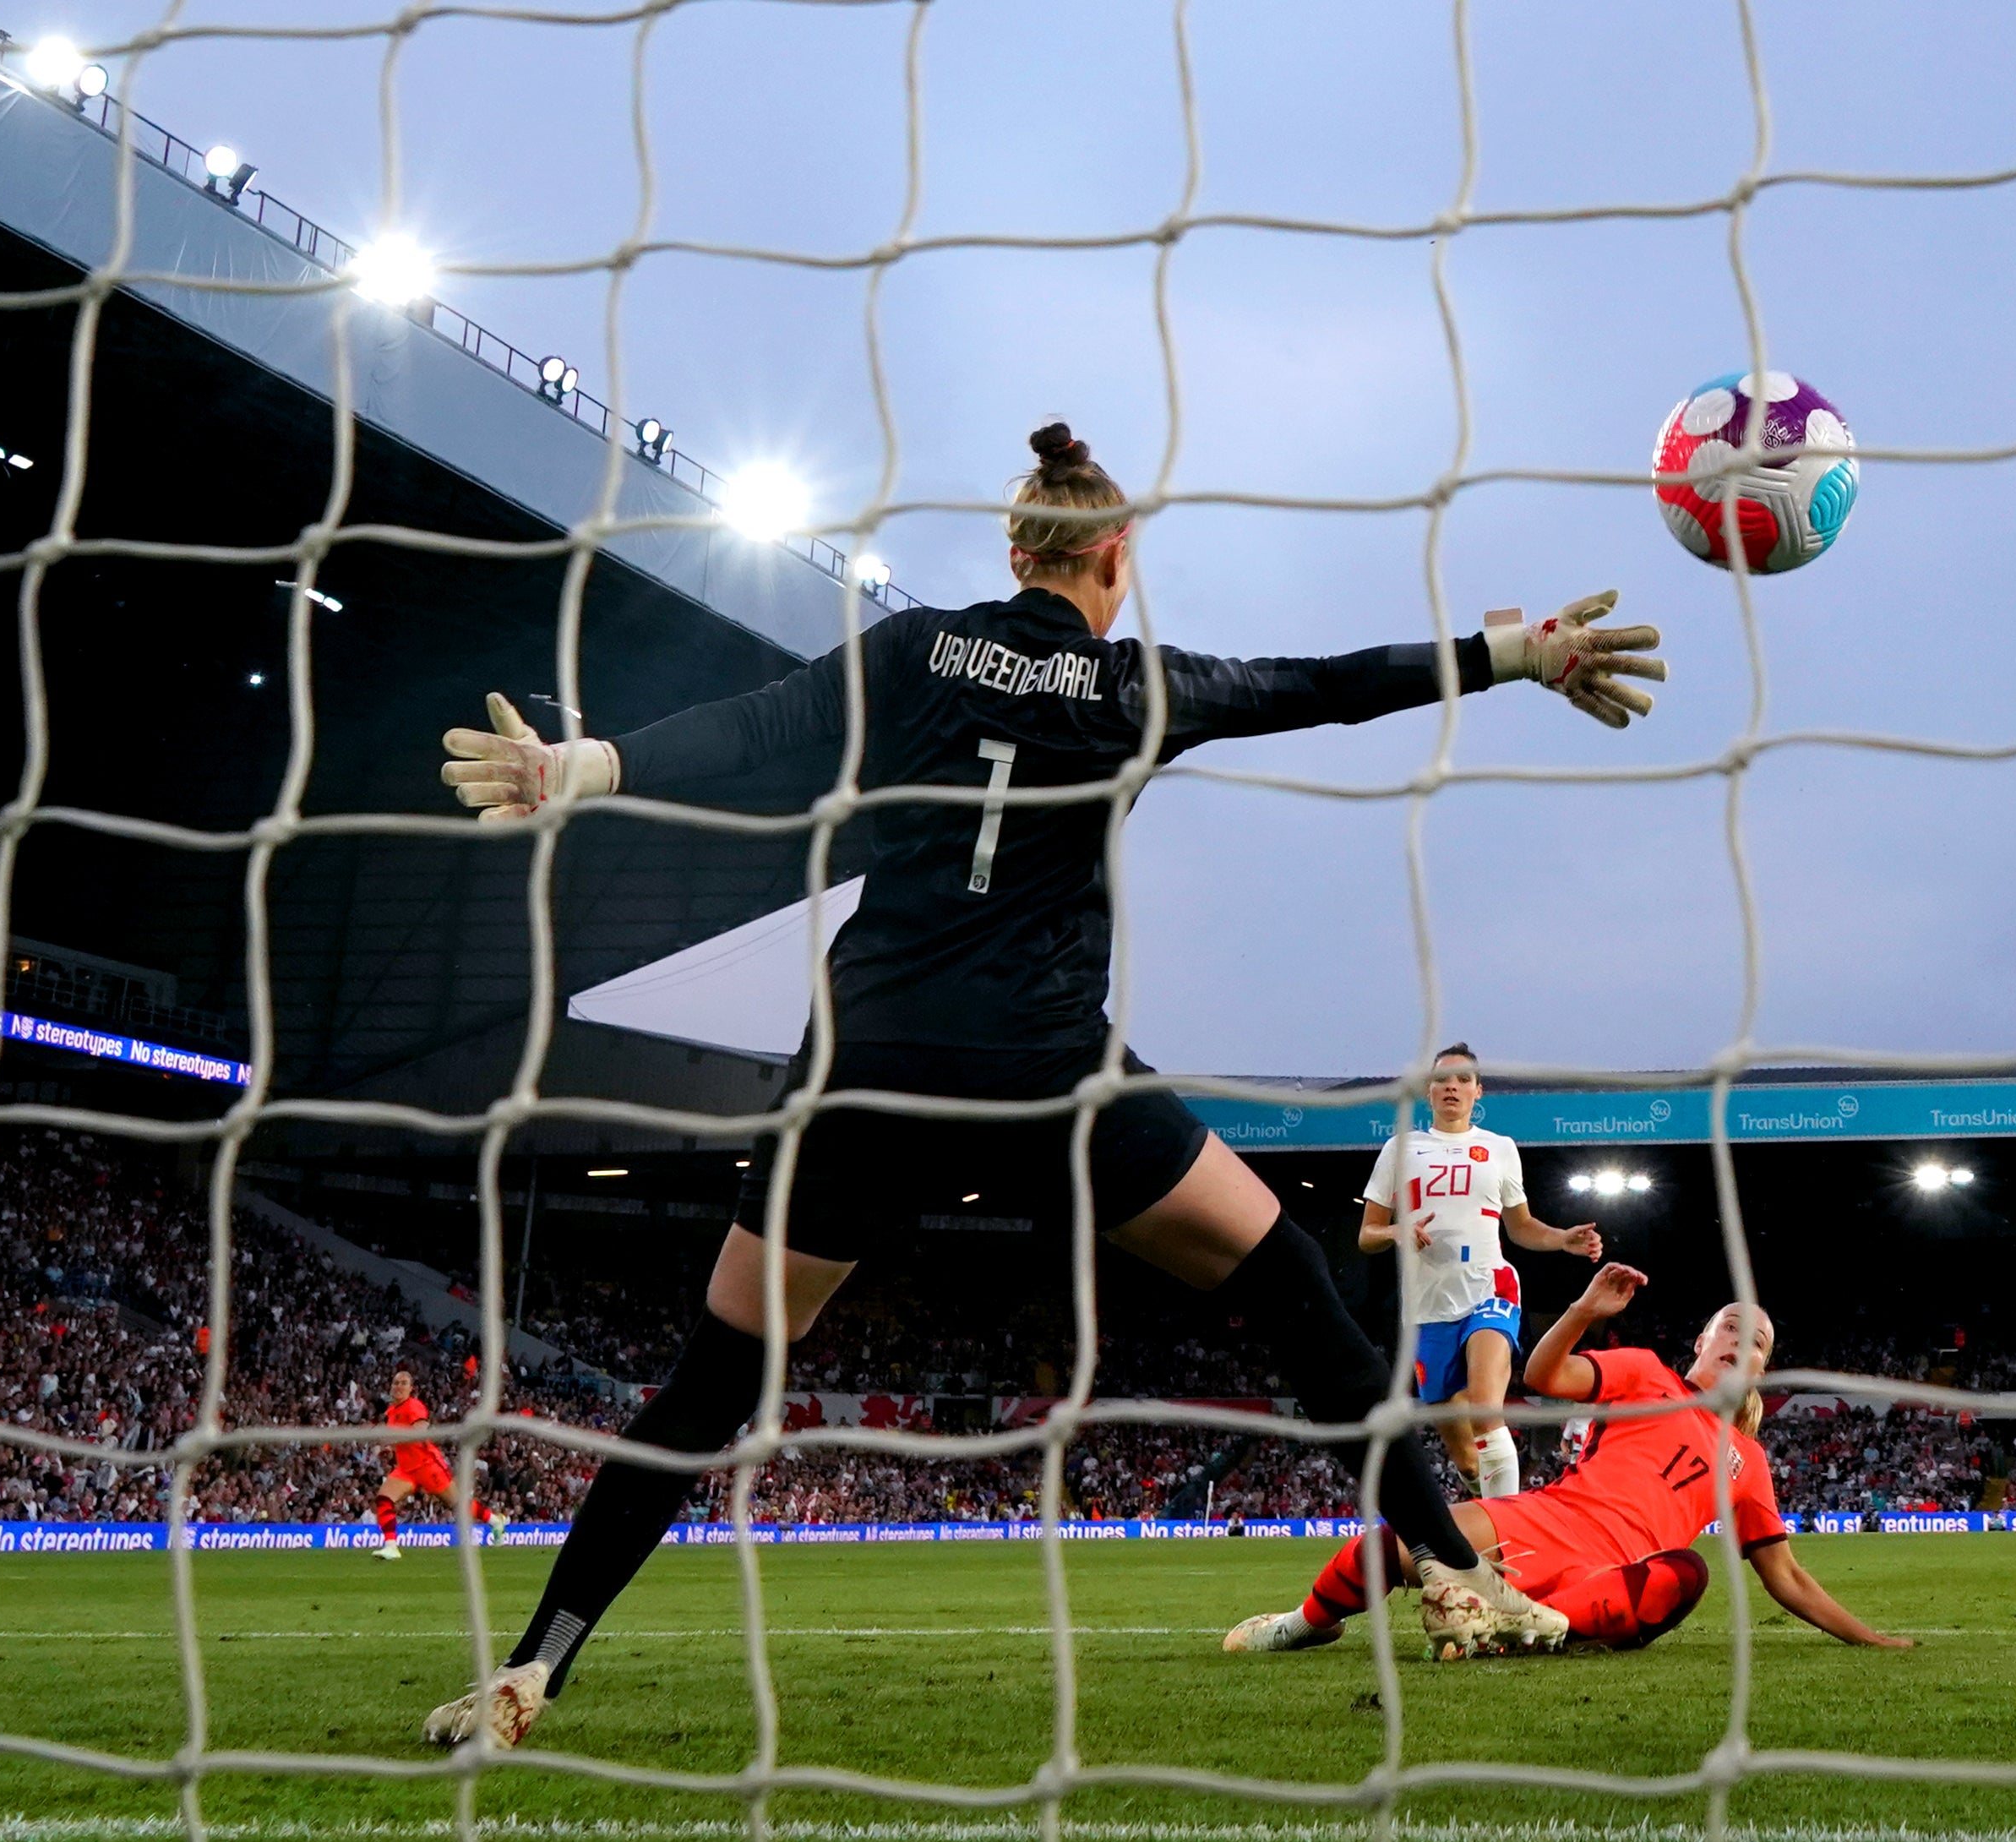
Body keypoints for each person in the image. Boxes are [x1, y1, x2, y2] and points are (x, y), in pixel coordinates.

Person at [422, 423, 1668, 1745]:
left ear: (1014, 550)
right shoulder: (1138, 686)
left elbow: (764, 730)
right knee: (1292, 1287)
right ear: (1115, 555)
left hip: (871, 1066)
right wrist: (1514, 654)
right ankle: (1456, 1577)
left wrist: (585, 765)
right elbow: (1326, 685)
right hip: (1049, 1069)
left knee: (714, 1378)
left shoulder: (910, 654)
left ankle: (530, 1671)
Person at [1223, 1272, 1912, 1657]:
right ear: (1702, 1340)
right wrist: (1583, 1310)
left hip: (1607, 1570)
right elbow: (1545, 1372)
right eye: (1729, 1325)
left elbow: (1785, 1576)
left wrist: (1868, 1635)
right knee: (1397, 1540)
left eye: (1755, 1339)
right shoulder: (1644, 1373)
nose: (1740, 1338)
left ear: (1761, 1367)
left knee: (1687, 1575)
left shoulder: (1747, 1460)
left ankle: (1525, 1625)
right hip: (1547, 1515)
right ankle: (1302, 1624)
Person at [1356, 1042, 1600, 1499]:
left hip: (1492, 1287)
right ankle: (1486, 1498)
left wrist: (1561, 1238)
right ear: (1426, 1091)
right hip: (1428, 1309)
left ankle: (1507, 1538)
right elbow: (1367, 1234)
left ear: (1478, 1092)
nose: (1453, 1086)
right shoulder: (1400, 1149)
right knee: (1466, 1455)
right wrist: (1395, 1232)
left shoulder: (1500, 1148)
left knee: (1488, 1411)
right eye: (1443, 1079)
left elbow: (1522, 1226)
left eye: (1464, 1079)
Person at [373, 1369, 509, 1559]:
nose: (398, 1386)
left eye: (404, 1383)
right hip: (405, 1469)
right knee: (384, 1499)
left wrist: (395, 1440)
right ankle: (391, 1546)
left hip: (427, 1465)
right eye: (396, 1383)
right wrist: (389, 1448)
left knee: (457, 1504)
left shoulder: (414, 1406)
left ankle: (495, 1521)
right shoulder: (392, 1411)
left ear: (411, 1389)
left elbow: (421, 1430)